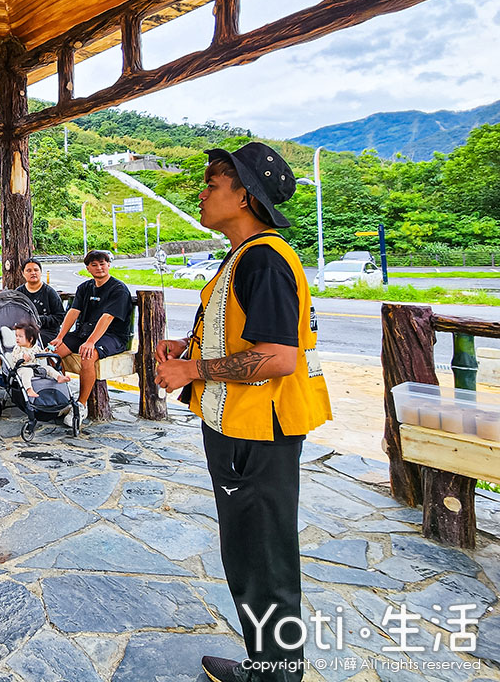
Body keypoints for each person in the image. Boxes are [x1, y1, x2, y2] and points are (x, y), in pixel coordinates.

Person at [153, 142, 331, 682]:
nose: (202, 192)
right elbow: (241, 334)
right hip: (240, 428)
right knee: (250, 554)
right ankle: (269, 666)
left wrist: (193, 373)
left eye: (213, 183)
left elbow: (278, 357)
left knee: (262, 560)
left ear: (246, 195)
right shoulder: (243, 258)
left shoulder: (264, 258)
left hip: (257, 433)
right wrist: (188, 350)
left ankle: (275, 674)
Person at [50, 250, 133, 406]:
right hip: (84, 332)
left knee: (87, 355)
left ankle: (81, 404)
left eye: (102, 264)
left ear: (109, 265)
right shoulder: (84, 287)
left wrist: (91, 342)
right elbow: (73, 312)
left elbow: (107, 317)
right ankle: (63, 397)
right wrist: (60, 337)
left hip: (112, 336)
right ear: (87, 268)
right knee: (52, 353)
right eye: (94, 265)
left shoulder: (118, 289)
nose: (99, 268)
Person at [9, 322, 69, 400]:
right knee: (27, 373)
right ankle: (29, 389)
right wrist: (22, 357)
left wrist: (46, 351)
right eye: (16, 336)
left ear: (30, 339)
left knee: (48, 368)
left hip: (35, 368)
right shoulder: (18, 348)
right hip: (22, 368)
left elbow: (41, 356)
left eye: (20, 336)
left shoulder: (35, 348)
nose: (17, 338)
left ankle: (59, 377)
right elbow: (14, 357)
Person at [16, 258, 64, 349]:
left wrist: (39, 320)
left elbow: (60, 317)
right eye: (29, 270)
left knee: (32, 340)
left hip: (47, 331)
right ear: (23, 273)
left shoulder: (50, 292)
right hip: (24, 330)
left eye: (36, 270)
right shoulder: (19, 293)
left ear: (40, 272)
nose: (33, 273)